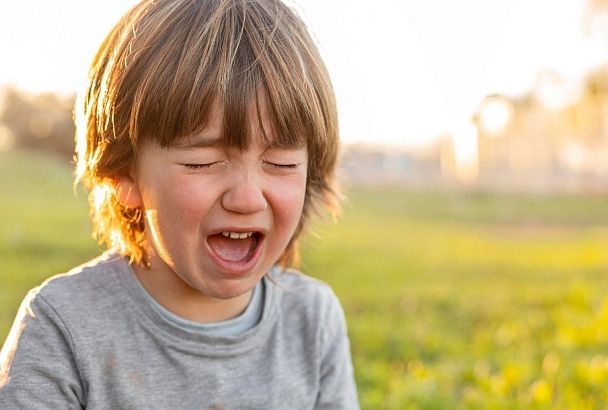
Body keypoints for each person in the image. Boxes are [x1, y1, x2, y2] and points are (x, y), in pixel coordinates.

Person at [0, 0, 359, 408]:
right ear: (124, 174)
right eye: (201, 162)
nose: (245, 197)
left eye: (281, 163)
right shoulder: (63, 328)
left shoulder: (312, 321)